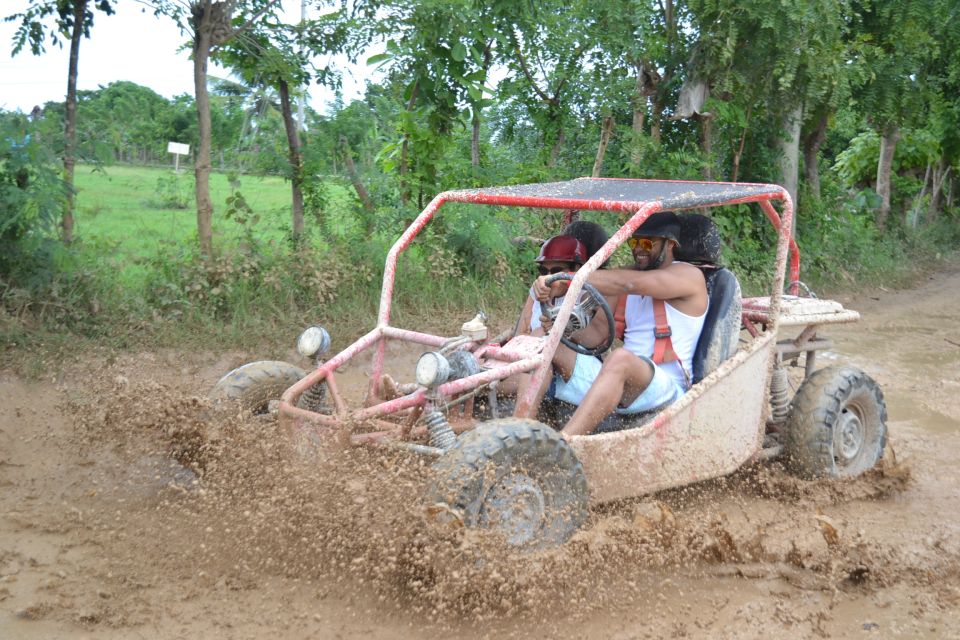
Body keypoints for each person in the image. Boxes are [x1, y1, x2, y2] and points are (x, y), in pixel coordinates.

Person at [532, 211, 708, 437]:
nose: (638, 249)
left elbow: (631, 283)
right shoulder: (628, 276)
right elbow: (596, 335)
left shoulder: (688, 275)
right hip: (622, 380)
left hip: (668, 389)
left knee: (620, 357)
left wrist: (566, 279)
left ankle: (565, 443)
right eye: (634, 242)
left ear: (670, 244)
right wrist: (557, 328)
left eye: (647, 243)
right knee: (547, 343)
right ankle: (517, 430)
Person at [516, 221, 610, 336]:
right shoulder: (538, 289)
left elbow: (592, 339)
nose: (548, 277)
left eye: (556, 271)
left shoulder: (586, 296)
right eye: (544, 271)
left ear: (576, 268)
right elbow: (520, 334)